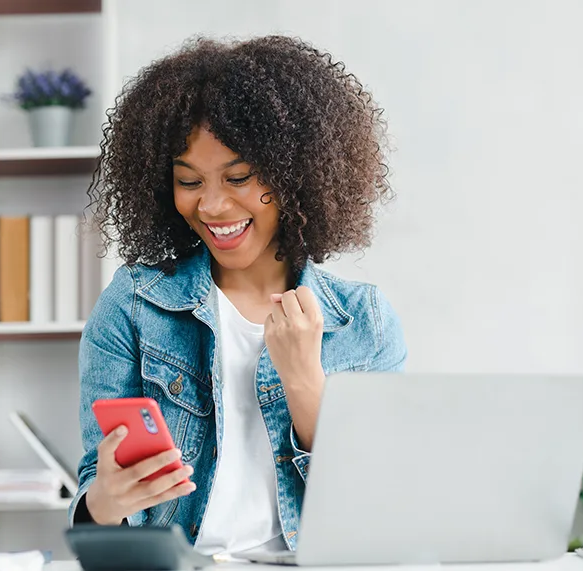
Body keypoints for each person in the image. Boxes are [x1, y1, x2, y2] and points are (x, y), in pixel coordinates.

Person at [70, 35, 407, 555]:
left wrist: (304, 381)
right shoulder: (135, 306)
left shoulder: (364, 321)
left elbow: (376, 509)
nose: (211, 205)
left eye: (239, 177)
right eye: (189, 181)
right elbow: (100, 505)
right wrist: (104, 503)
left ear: (296, 174)